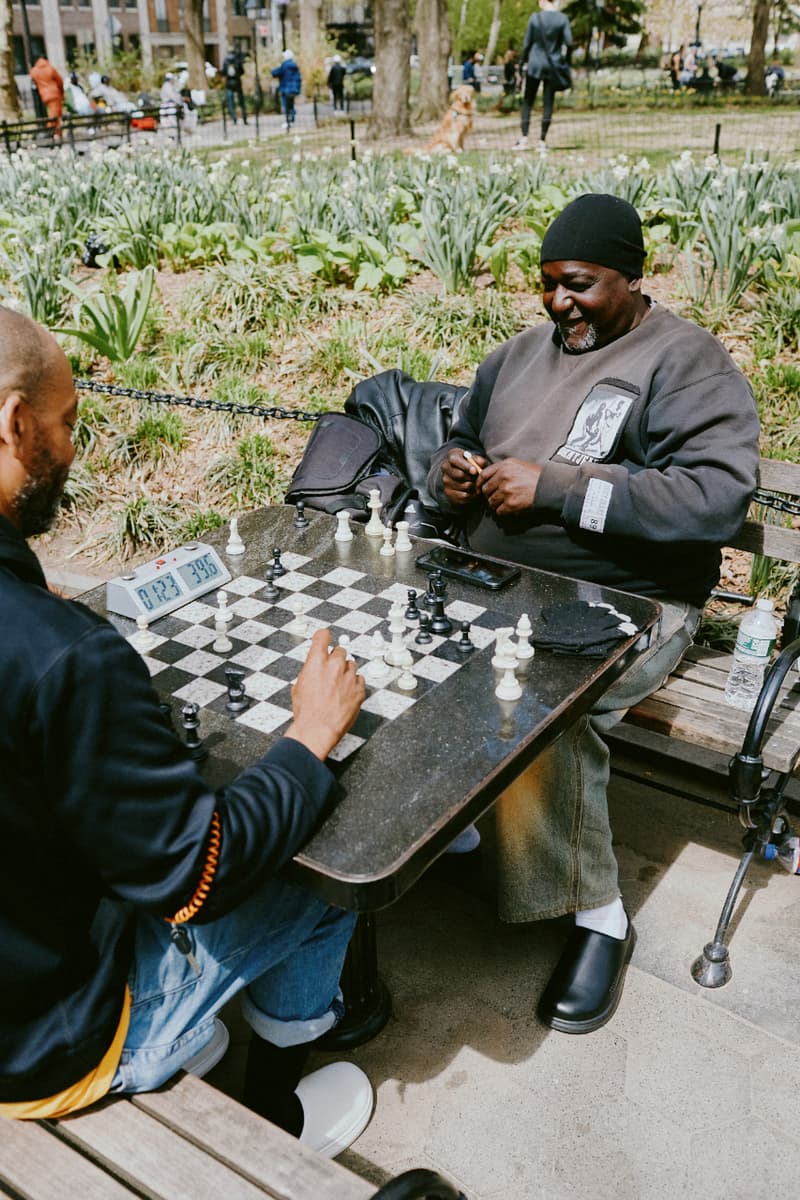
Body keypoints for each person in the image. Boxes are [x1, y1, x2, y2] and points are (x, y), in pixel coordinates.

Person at [0, 307, 375, 1156]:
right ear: (15, 424)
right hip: (42, 1046)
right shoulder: (66, 661)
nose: (71, 450)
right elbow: (199, 878)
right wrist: (308, 739)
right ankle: (278, 1118)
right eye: (64, 425)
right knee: (330, 880)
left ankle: (199, 1043)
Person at [427, 194, 759, 1035]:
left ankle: (597, 913)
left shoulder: (686, 362)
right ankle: (465, 829)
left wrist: (561, 487)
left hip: (637, 604)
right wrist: (454, 472)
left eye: (579, 284)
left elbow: (714, 501)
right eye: (546, 285)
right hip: (498, 583)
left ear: (630, 276)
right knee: (413, 647)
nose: (558, 303)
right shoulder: (515, 357)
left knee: (550, 701)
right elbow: (455, 438)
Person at [513, 0, 572, 151]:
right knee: (548, 102)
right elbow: (570, 43)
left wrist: (521, 63)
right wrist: (565, 61)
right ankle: (542, 140)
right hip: (553, 66)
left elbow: (527, 44)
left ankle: (524, 138)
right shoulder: (562, 19)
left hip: (535, 64)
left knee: (528, 101)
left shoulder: (535, 18)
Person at [30, 55, 64, 135]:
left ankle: (57, 133)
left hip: (44, 94)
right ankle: (51, 131)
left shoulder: (34, 71)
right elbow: (59, 81)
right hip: (54, 93)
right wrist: (61, 92)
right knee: (55, 113)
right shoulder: (50, 68)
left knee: (54, 113)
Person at [272, 49, 302, 130]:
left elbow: (276, 73)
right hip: (293, 89)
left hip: (286, 89)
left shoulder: (284, 65)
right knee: (291, 105)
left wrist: (272, 70)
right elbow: (299, 78)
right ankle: (291, 120)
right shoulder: (294, 66)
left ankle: (288, 121)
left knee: (286, 106)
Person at [221, 47, 248, 125]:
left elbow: (223, 72)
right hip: (237, 82)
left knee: (231, 102)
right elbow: (242, 71)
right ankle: (244, 118)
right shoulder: (237, 60)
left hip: (229, 84)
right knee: (241, 102)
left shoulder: (225, 61)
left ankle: (234, 119)